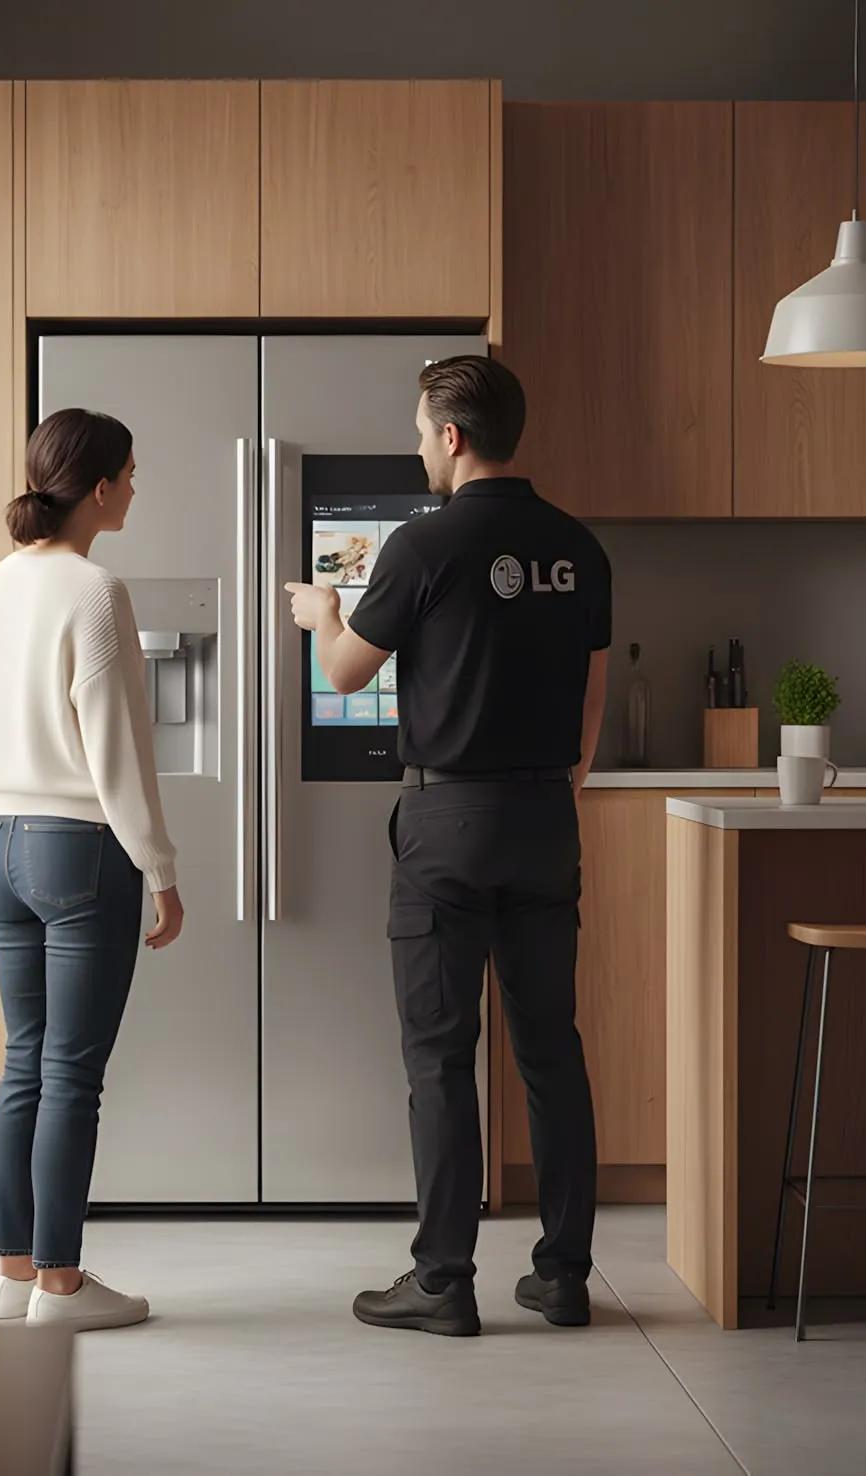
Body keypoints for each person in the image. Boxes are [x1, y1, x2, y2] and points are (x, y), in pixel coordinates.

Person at [285, 356, 609, 1338]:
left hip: (447, 826)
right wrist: (549, 794)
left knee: (440, 1056)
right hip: (545, 819)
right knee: (551, 1050)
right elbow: (591, 708)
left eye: (423, 432)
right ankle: (563, 1278)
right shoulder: (579, 547)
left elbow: (348, 673)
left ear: (453, 437)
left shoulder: (421, 546)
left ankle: (443, 1281)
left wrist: (324, 616)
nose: (420, 447)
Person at [0, 407, 184, 1332]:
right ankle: (60, 1285)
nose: (135, 487)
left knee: (25, 1060)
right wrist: (160, 868)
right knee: (71, 1075)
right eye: (129, 474)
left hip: (2, 842)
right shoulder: (96, 591)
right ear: (98, 488)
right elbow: (119, 748)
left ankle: (10, 1271)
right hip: (80, 849)